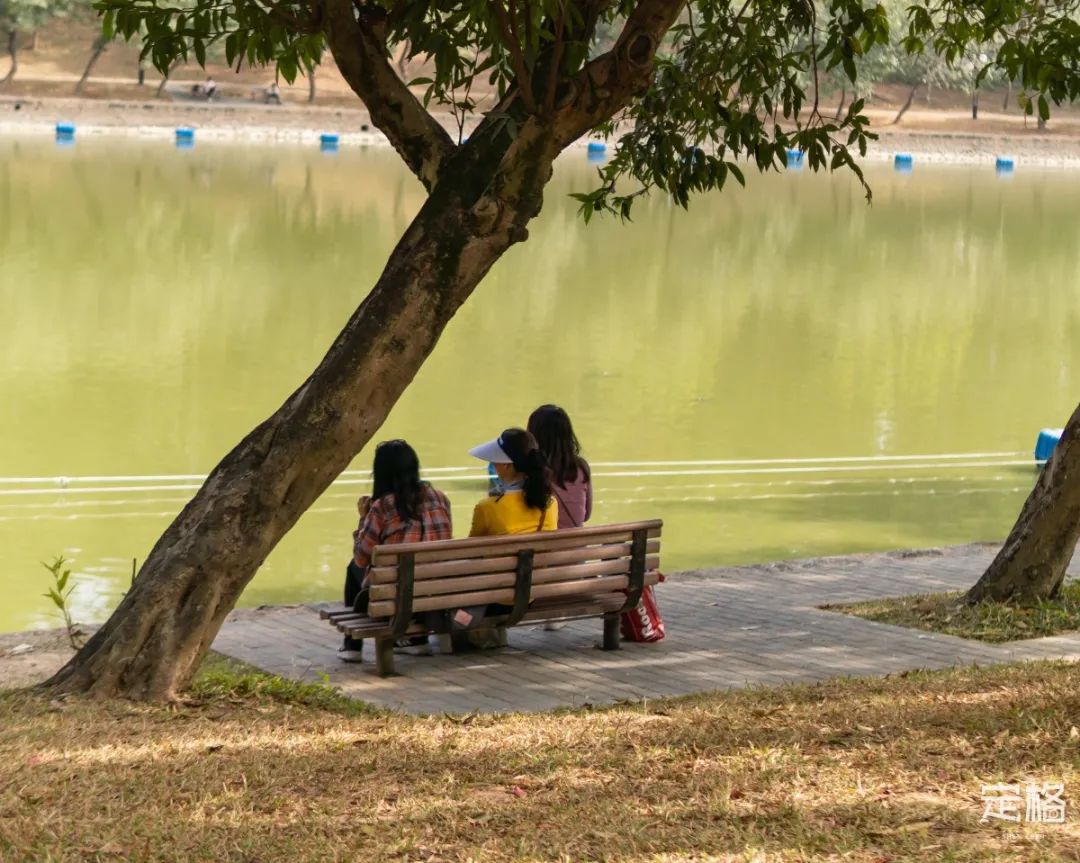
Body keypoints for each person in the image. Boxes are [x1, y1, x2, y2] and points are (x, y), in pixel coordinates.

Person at [340, 439, 452, 662]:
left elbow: (362, 557)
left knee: (353, 568)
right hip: (434, 589)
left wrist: (363, 517)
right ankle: (417, 641)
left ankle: (352, 646)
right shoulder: (440, 498)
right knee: (413, 571)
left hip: (391, 593)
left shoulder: (382, 507)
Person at [468, 428, 557, 536]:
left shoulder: (486, 508)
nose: (493, 464)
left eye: (494, 461)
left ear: (506, 465)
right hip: (545, 553)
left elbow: (472, 549)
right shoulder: (550, 503)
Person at [527, 404, 592, 529]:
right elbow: (586, 515)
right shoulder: (581, 467)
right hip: (579, 546)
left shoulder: (530, 470)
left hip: (546, 547)